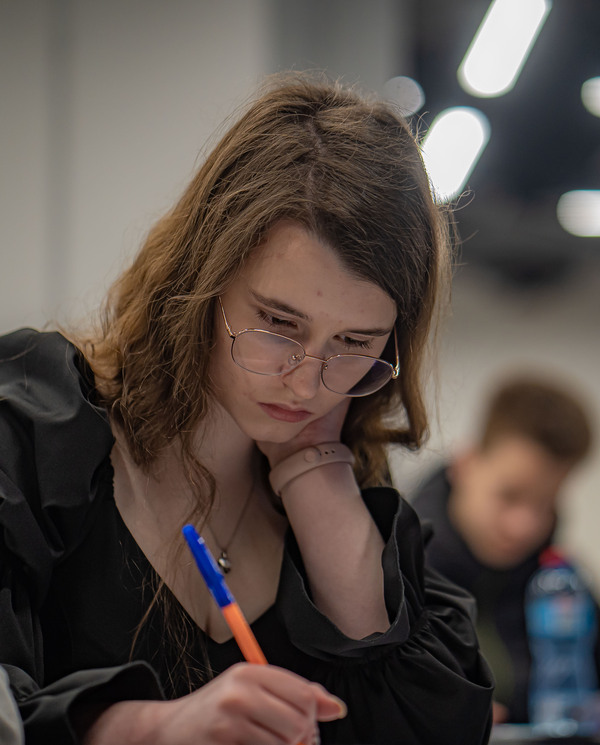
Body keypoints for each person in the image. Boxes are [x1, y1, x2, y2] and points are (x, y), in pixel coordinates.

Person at [0, 72, 493, 745]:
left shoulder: (346, 495)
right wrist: (149, 728)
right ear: (203, 277)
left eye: (355, 343)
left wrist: (314, 474)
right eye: (278, 323)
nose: (307, 385)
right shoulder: (35, 423)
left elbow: (431, 728)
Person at [411, 375, 595, 726]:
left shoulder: (563, 587)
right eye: (509, 496)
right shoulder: (389, 576)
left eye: (545, 503)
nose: (523, 526)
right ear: (466, 465)